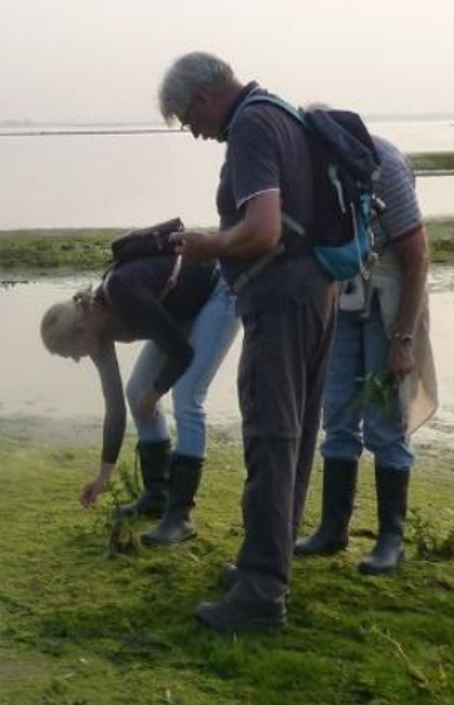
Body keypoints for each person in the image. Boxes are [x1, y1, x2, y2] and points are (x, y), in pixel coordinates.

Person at [158, 52, 336, 631]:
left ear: (205, 96)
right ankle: (269, 562)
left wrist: (210, 244)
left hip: (281, 300)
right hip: (314, 292)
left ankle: (261, 593)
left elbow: (263, 229)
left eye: (188, 118)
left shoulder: (252, 126)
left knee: (270, 437)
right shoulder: (281, 112)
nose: (195, 132)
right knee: (296, 436)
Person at [294, 134, 434, 574]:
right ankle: (333, 529)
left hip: (391, 293)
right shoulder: (309, 171)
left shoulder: (384, 168)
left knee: (385, 419)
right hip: (345, 289)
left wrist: (403, 340)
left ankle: (391, 538)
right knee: (336, 414)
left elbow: (417, 261)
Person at [40, 254, 239, 544]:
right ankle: (157, 494)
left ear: (79, 330)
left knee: (187, 395)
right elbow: (115, 405)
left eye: (69, 352)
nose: (75, 360)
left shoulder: (124, 291)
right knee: (136, 391)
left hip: (219, 291)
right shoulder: (97, 333)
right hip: (182, 311)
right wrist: (103, 476)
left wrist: (157, 391)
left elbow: (181, 353)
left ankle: (180, 517)